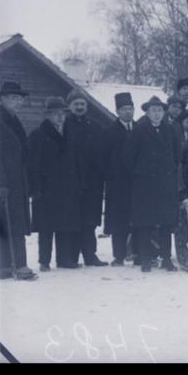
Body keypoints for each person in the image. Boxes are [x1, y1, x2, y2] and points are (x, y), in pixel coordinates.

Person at [123, 96, 182, 273]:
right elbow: (128, 157)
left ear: (164, 113)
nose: (156, 114)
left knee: (166, 223)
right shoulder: (139, 130)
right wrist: (139, 173)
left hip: (165, 183)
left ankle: (166, 259)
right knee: (145, 223)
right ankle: (146, 259)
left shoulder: (170, 130)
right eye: (153, 110)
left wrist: (169, 169)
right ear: (147, 113)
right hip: (144, 184)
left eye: (159, 110)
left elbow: (177, 154)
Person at [28, 97, 82, 270]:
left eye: (62, 113)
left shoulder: (70, 134)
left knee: (65, 224)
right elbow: (32, 164)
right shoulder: (38, 134)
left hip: (67, 188)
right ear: (48, 115)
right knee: (46, 227)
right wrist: (36, 188)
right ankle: (44, 261)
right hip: (46, 189)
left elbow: (75, 161)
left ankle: (64, 259)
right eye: (55, 114)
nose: (60, 117)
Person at [64, 89, 108, 267]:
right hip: (71, 181)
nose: (80, 107)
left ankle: (91, 256)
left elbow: (102, 154)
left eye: (82, 104)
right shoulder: (64, 126)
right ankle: (72, 257)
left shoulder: (95, 127)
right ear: (70, 107)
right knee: (74, 220)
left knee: (90, 221)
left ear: (87, 106)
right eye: (76, 104)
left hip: (92, 183)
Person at [0, 82, 36, 280]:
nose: (18, 101)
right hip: (4, 183)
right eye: (13, 97)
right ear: (1, 98)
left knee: (15, 223)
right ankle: (5, 266)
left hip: (17, 181)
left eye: (20, 98)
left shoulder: (14, 120)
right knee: (3, 223)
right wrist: (0, 182)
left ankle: (18, 264)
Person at [100, 93, 136, 267]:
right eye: (124, 110)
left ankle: (136, 252)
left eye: (130, 109)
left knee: (137, 218)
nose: (128, 113)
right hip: (117, 183)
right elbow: (104, 159)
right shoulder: (109, 132)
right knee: (118, 220)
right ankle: (119, 256)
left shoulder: (140, 129)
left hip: (137, 183)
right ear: (117, 111)